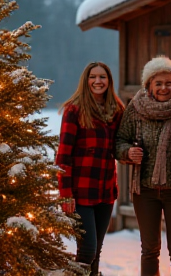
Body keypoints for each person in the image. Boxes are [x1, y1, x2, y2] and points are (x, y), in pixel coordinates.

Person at [116, 56, 171, 276]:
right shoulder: (136, 107)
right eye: (158, 83)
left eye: (169, 83)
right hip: (145, 190)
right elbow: (120, 140)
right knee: (149, 250)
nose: (164, 88)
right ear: (148, 84)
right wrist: (127, 152)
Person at [55, 62, 124, 276]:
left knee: (97, 251)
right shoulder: (74, 110)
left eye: (102, 77)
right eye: (92, 77)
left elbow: (120, 145)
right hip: (80, 192)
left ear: (109, 81)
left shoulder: (117, 111)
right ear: (86, 81)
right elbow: (63, 156)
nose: (97, 81)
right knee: (87, 249)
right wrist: (65, 194)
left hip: (105, 191)